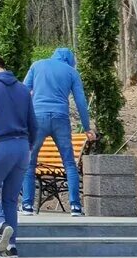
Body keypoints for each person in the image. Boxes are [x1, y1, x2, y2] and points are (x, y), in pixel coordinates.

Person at [0, 53, 37, 258]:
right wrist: (28, 146)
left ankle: (2, 225)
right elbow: (33, 124)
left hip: (2, 144)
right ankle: (11, 247)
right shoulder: (22, 88)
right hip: (22, 148)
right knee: (10, 199)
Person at [22, 47, 95, 217]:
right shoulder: (71, 72)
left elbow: (23, 91)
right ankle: (75, 206)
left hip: (37, 117)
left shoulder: (37, 65)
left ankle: (27, 205)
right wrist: (87, 127)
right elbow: (81, 101)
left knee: (29, 162)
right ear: (70, 60)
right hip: (61, 118)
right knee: (69, 163)